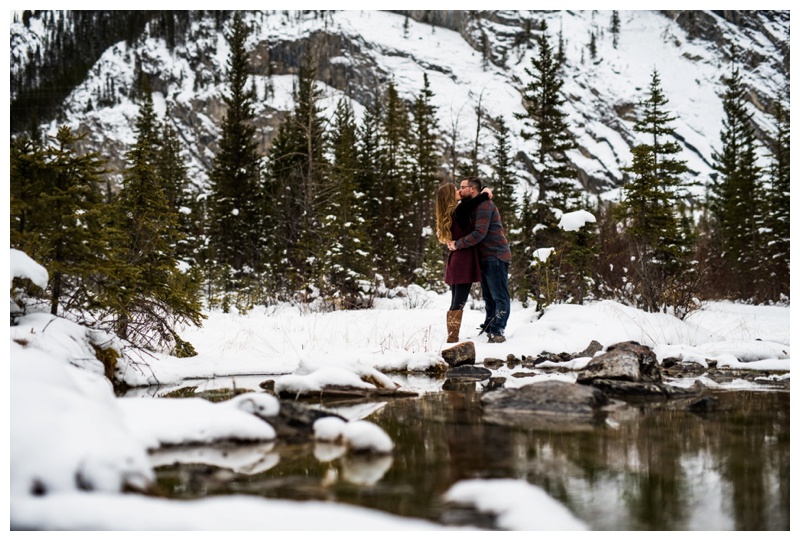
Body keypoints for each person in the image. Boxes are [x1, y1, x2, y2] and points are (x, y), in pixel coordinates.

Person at [447, 177, 511, 343]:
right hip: (483, 256)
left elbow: (479, 233)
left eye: (462, 187)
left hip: (495, 254)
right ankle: (489, 326)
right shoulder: (474, 204)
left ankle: (497, 331)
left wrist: (457, 244)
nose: (460, 191)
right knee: (489, 297)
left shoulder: (484, 205)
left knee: (499, 296)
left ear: (473, 189)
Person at [435, 182, 492, 343]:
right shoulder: (459, 210)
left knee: (456, 300)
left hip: (457, 260)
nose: (459, 191)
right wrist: (486, 191)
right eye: (455, 190)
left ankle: (452, 336)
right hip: (463, 261)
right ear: (449, 196)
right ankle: (452, 338)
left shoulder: (450, 212)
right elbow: (475, 201)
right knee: (459, 301)